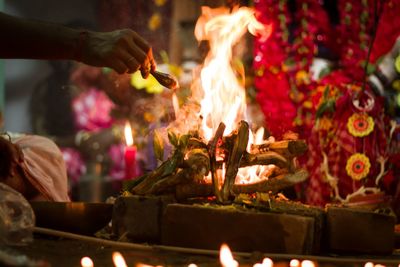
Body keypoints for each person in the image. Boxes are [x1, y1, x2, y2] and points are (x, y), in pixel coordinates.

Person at [0, 11, 157, 201]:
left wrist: (112, 134)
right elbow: (43, 134)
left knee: (133, 157)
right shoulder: (51, 90)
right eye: (95, 59)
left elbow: (130, 120)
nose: (99, 64)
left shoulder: (106, 87)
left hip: (107, 155)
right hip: (75, 155)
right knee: (54, 155)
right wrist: (79, 141)